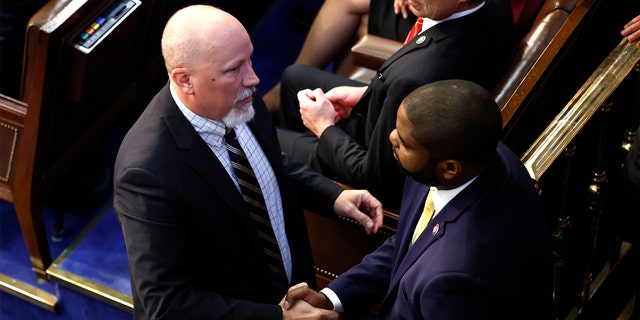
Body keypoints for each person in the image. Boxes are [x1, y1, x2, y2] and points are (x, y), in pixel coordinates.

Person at [113, 5, 384, 320]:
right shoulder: (146, 172)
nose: (254, 78)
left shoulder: (236, 96)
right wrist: (277, 318)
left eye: (250, 59)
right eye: (234, 68)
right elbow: (168, 303)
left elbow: (269, 164)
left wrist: (333, 195)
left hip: (293, 291)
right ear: (185, 80)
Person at [282, 79, 554, 319]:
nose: (391, 138)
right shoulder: (468, 158)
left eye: (405, 142)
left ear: (449, 168)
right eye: (397, 129)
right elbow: (409, 244)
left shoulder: (456, 275)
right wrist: (331, 298)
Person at [275, 0, 517, 207]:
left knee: (268, 140)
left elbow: (373, 178)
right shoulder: (493, 6)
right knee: (293, 78)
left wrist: (323, 127)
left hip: (373, 161)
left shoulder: (415, 78)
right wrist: (366, 95)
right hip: (403, 114)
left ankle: (302, 197)